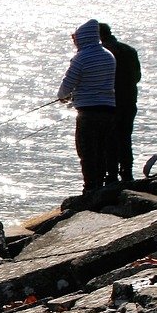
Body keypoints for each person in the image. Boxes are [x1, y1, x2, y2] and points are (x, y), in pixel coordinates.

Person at [56, 19, 117, 194]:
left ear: (84, 37)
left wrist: (62, 96)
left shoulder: (81, 58)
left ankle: (90, 187)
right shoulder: (108, 55)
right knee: (102, 148)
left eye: (77, 38)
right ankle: (102, 183)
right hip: (108, 110)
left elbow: (68, 82)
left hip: (88, 112)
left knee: (87, 150)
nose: (75, 42)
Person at [98, 23, 142, 183]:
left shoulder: (103, 53)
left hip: (110, 102)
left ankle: (111, 174)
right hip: (129, 99)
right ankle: (127, 172)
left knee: (109, 139)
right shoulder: (129, 50)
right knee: (125, 137)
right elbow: (137, 77)